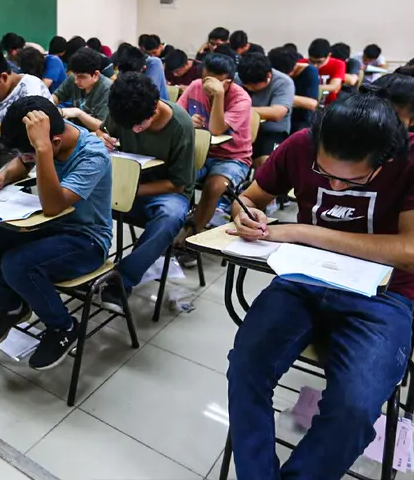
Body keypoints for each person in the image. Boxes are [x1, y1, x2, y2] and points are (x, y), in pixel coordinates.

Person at [225, 93, 414, 479]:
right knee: (245, 370)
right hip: (303, 279)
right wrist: (246, 214)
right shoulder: (300, 145)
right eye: (325, 174)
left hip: (385, 295)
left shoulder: (409, 160)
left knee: (354, 408)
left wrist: (301, 232)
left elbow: (409, 251)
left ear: (384, 159)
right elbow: (249, 198)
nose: (337, 188)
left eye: (353, 180)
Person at [0, 96, 113, 370]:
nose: (29, 158)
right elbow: (23, 163)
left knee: (17, 264)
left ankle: (63, 326)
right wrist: (2, 176)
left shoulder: (92, 155)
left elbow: (53, 206)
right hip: (49, 227)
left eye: (34, 151)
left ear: (53, 143)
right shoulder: (47, 138)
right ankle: (12, 306)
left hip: (87, 240)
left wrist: (43, 150)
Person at [96, 72, 195, 311]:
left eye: (139, 126)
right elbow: (102, 131)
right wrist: (102, 138)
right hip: (127, 184)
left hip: (165, 190)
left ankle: (121, 281)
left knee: (169, 217)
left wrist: (132, 190)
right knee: (83, 198)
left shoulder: (180, 126)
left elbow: (178, 183)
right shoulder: (126, 111)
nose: (134, 130)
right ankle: (84, 266)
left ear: (155, 107)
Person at [176, 54, 252, 255]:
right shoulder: (195, 87)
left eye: (214, 83)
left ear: (229, 82)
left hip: (233, 158)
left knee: (214, 187)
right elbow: (177, 116)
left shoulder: (241, 99)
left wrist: (218, 95)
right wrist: (188, 120)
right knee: (177, 175)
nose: (207, 87)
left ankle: (190, 239)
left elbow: (217, 129)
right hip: (201, 152)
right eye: (205, 80)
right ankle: (176, 223)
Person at [238, 52, 294, 168]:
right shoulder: (239, 78)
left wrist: (243, 110)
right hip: (241, 129)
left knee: (267, 164)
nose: (249, 88)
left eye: (253, 85)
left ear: (268, 75)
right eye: (246, 85)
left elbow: (277, 113)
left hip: (271, 132)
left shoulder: (283, 82)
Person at [51, 47, 112, 132]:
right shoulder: (73, 78)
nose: (76, 81)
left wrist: (78, 113)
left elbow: (102, 126)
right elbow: (56, 96)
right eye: (75, 75)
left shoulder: (107, 89)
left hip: (96, 135)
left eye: (82, 77)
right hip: (77, 130)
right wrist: (49, 104)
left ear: (95, 75)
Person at [269, 46, 321, 134]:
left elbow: (312, 104)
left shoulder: (309, 71)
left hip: (301, 118)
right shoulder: (272, 73)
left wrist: (282, 97)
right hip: (279, 116)